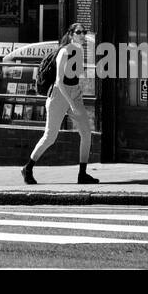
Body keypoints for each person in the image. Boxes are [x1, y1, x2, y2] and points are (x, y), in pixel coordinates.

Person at [22, 23, 99, 186]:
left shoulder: (79, 50)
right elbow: (59, 81)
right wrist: (71, 104)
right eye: (79, 32)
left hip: (74, 94)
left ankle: (82, 174)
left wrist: (78, 94)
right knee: (50, 137)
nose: (82, 35)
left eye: (84, 32)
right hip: (59, 95)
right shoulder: (64, 52)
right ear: (71, 34)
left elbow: (77, 76)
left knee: (86, 133)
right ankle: (28, 168)